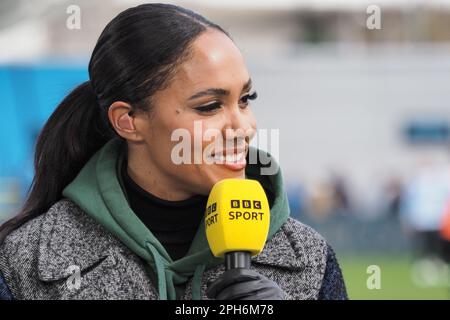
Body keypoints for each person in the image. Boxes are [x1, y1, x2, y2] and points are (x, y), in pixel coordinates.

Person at [0, 3, 347, 300]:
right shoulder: (23, 262)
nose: (244, 127)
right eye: (211, 106)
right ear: (129, 121)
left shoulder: (310, 259)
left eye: (245, 100)